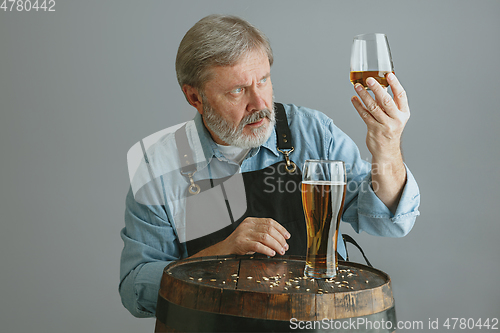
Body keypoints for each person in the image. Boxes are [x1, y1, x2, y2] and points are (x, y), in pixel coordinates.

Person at [119, 14, 420, 318]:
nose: (259, 103)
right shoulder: (160, 167)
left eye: (263, 80)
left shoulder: (315, 134)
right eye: (237, 90)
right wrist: (219, 254)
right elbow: (135, 289)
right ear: (195, 97)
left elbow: (390, 221)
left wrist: (387, 147)